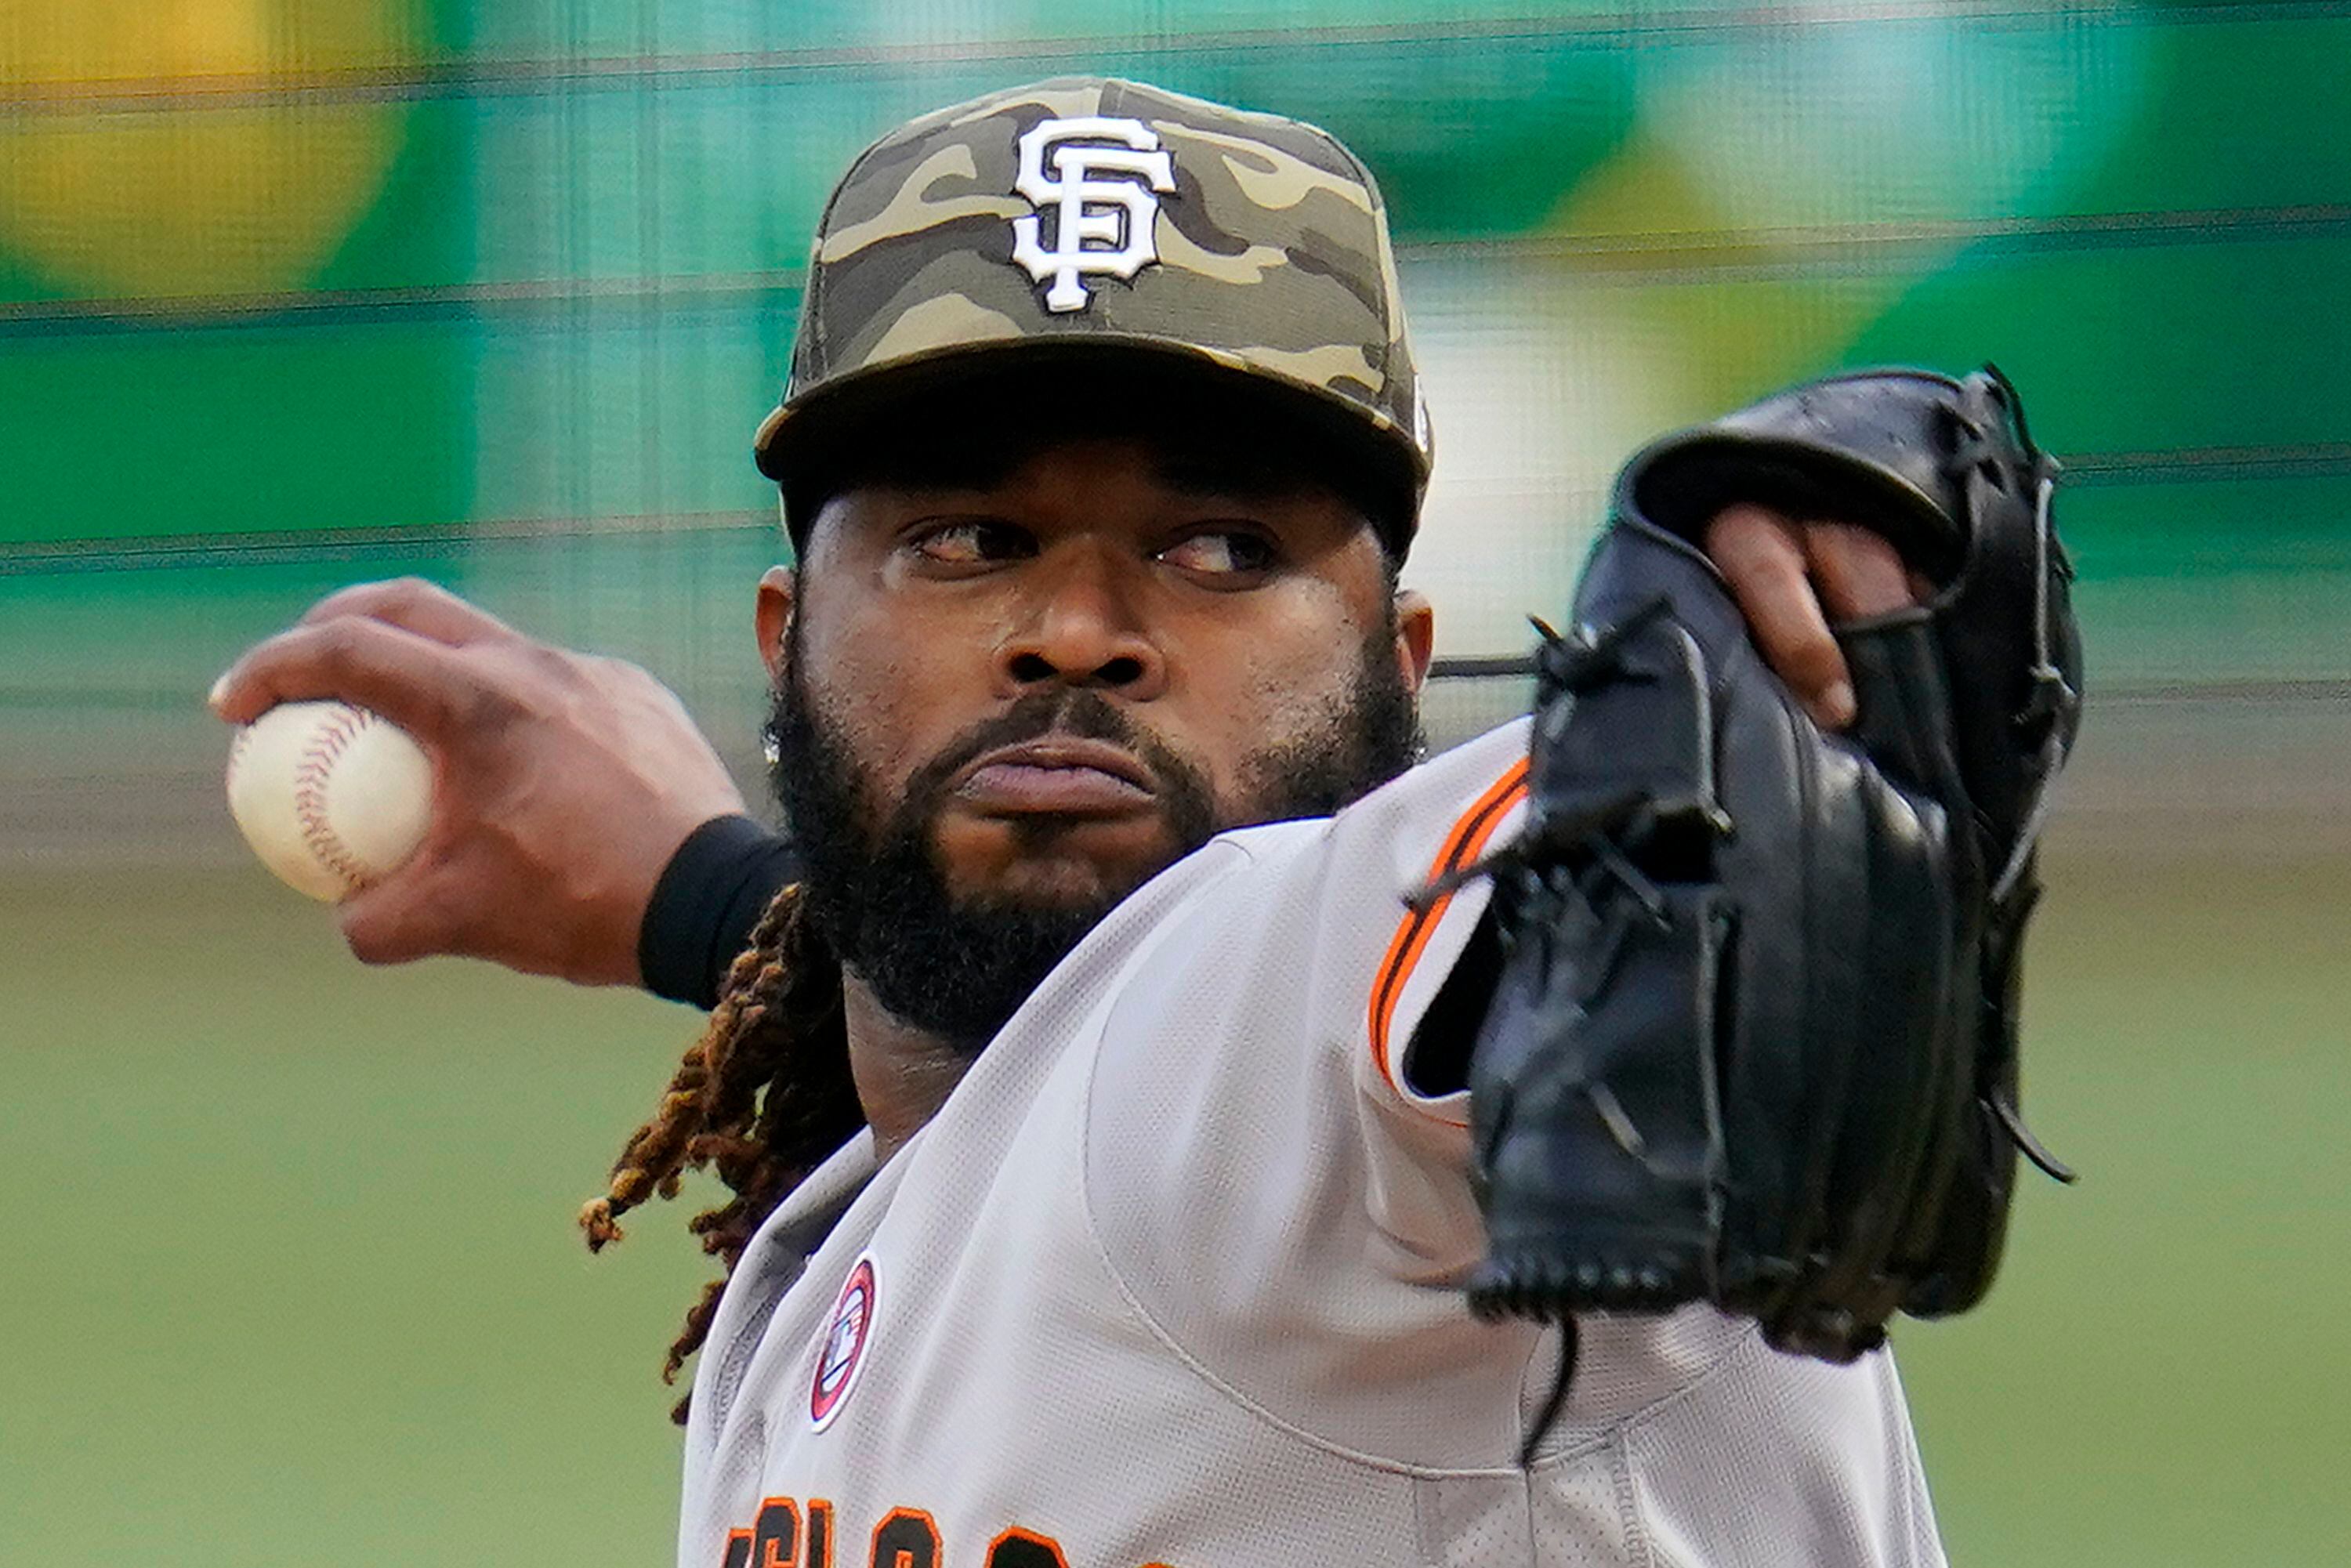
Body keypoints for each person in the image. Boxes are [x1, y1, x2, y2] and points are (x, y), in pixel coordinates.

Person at [214, 78, 1950, 1567]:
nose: (1078, 625)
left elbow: (1514, 906)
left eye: (1220, 548)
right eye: (968, 539)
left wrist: (1788, 612)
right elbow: (1037, 1093)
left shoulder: (1375, 1074)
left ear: (1401, 672)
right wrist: (705, 896)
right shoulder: (911, 1175)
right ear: (787, 641)